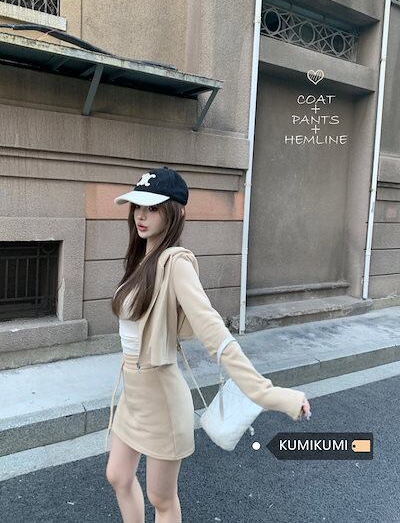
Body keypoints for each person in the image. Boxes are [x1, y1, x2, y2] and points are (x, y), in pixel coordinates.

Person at [105, 166, 311, 523]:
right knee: (118, 476)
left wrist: (268, 394)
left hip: (161, 398)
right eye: (138, 206)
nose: (141, 215)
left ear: (174, 213)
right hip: (132, 394)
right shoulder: (141, 260)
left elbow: (214, 332)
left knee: (161, 498)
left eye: (152, 208)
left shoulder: (176, 264)